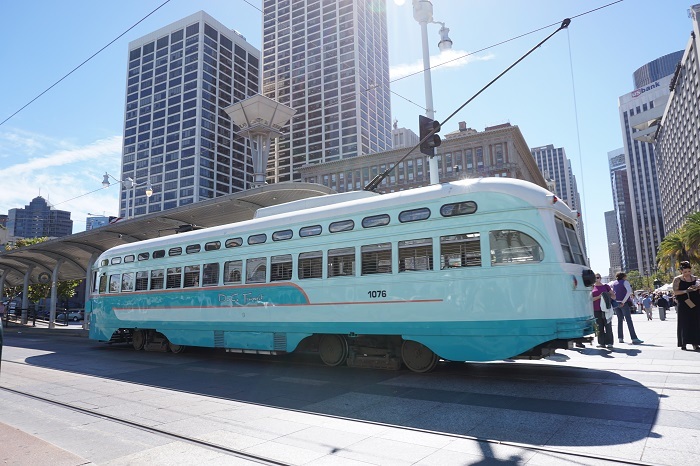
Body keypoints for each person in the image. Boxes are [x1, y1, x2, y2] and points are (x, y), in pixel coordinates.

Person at [672, 261, 700, 351]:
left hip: (695, 302)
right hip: (683, 302)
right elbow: (675, 292)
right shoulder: (677, 279)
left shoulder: (696, 279)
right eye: (685, 272)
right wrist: (686, 291)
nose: (687, 274)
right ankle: (683, 343)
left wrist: (697, 288)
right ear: (681, 271)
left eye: (689, 271)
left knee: (695, 322)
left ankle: (695, 343)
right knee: (684, 322)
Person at [611, 272, 644, 344]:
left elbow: (612, 293)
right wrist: (623, 301)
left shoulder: (614, 283)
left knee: (619, 320)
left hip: (616, 303)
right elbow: (629, 291)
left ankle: (620, 338)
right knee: (628, 320)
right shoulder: (625, 282)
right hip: (623, 303)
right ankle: (634, 338)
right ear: (623, 276)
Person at [591, 273, 614, 349]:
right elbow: (591, 299)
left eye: (598, 277)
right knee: (599, 327)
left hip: (606, 309)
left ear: (600, 278)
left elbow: (614, 296)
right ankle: (601, 343)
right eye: (595, 278)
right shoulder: (592, 287)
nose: (596, 279)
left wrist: (607, 295)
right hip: (596, 309)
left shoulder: (606, 286)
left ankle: (610, 343)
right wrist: (599, 296)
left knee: (608, 326)